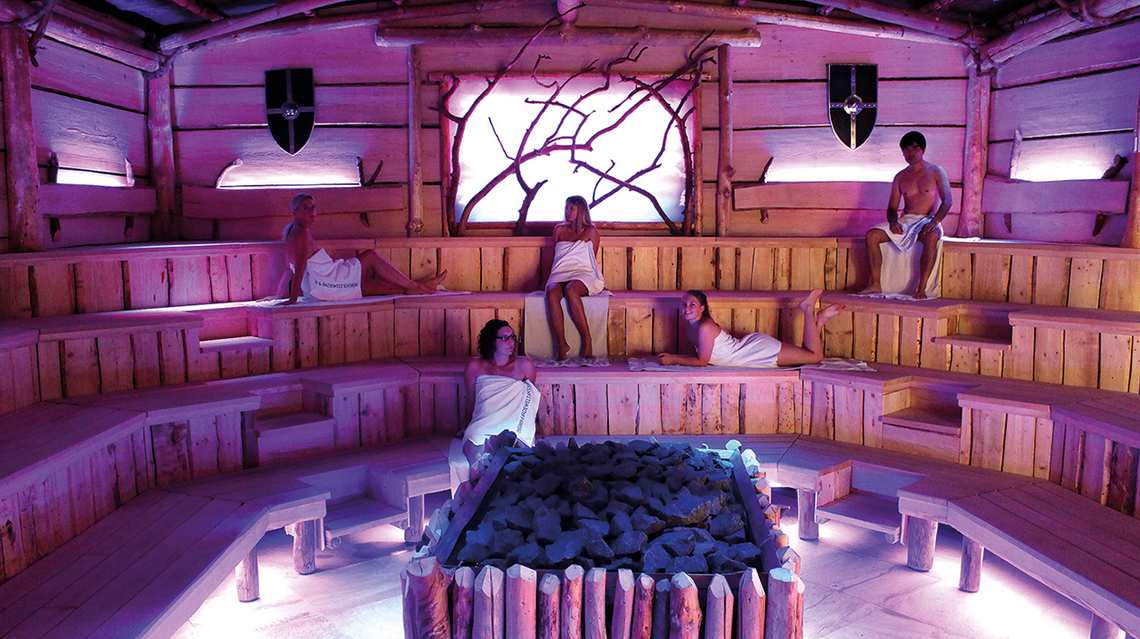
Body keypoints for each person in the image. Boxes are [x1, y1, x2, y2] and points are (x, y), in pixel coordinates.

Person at [282, 193, 447, 304]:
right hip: (328, 284)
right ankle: (420, 287)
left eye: (313, 207)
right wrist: (293, 299)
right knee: (370, 259)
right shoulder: (300, 234)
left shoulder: (293, 230)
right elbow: (300, 268)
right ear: (294, 212)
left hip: (328, 281)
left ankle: (419, 287)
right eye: (306, 208)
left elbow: (296, 266)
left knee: (372, 274)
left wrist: (292, 295)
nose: (312, 211)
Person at [860, 131, 953, 299]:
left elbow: (947, 201)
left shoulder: (936, 171)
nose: (910, 153)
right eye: (906, 150)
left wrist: (935, 221)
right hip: (906, 221)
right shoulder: (900, 177)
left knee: (932, 236)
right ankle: (875, 284)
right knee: (872, 235)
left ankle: (921, 289)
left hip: (928, 219)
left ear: (922, 150)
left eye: (914, 148)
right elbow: (892, 208)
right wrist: (893, 221)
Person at [656, 289, 842, 368]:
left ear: (702, 308)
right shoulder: (692, 326)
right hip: (749, 350)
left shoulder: (705, 326)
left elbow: (702, 361)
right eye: (684, 305)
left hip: (755, 352)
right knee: (807, 355)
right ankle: (819, 321)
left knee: (814, 357)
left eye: (692, 305)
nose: (687, 308)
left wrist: (673, 359)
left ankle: (808, 309)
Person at [457, 319, 540, 471]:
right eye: (505, 338)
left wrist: (536, 428)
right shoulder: (475, 366)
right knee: (477, 458)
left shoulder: (524, 366)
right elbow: (471, 400)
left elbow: (530, 400)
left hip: (514, 427)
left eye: (512, 337)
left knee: (514, 458)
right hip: (484, 425)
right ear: (491, 341)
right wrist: (466, 425)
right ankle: (480, 478)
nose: (511, 342)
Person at [544, 195, 605, 359]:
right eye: (566, 208)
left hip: (583, 272)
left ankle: (587, 340)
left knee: (571, 290)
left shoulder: (591, 231)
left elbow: (592, 258)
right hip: (560, 271)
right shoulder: (559, 230)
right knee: (551, 292)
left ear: (581, 210)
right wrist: (547, 278)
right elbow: (555, 255)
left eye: (572, 208)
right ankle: (562, 343)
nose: (567, 211)